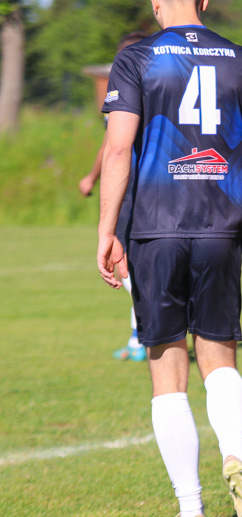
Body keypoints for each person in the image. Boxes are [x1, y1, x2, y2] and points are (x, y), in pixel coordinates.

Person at [97, 0, 242, 517]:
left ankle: (193, 515)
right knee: (219, 359)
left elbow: (118, 148)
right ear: (205, 1)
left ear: (158, 2)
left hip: (155, 228)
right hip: (221, 227)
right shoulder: (240, 59)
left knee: (166, 369)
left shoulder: (139, 58)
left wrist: (106, 230)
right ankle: (235, 456)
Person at [80, 30, 150, 362]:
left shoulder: (124, 91)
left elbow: (115, 146)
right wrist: (92, 175)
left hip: (131, 192)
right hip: (160, 191)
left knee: (129, 269)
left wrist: (94, 177)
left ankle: (143, 338)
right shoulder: (164, 87)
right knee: (137, 270)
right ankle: (143, 336)